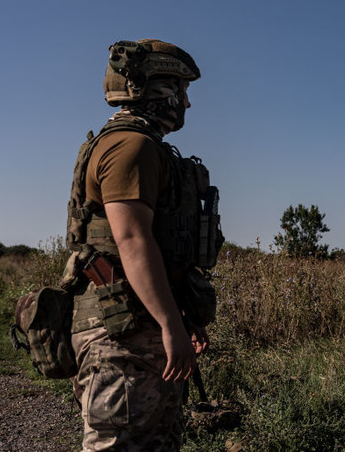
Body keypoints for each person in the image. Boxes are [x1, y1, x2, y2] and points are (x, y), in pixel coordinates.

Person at [64, 39, 223, 451]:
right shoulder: (130, 147)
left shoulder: (146, 146)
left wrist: (182, 319)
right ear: (144, 88)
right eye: (177, 89)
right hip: (120, 335)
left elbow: (162, 248)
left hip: (139, 326)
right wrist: (170, 325)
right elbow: (132, 241)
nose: (185, 103)